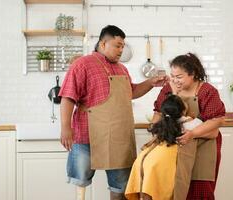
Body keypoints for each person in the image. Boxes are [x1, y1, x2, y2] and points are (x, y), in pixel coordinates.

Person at [59, 25, 166, 200]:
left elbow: (131, 91)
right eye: (117, 45)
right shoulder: (82, 64)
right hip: (87, 136)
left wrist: (151, 82)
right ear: (102, 44)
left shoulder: (121, 69)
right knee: (80, 181)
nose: (121, 50)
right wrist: (65, 128)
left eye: (123, 46)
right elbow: (68, 97)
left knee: (122, 186)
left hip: (118, 137)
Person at [152, 53, 225, 200]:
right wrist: (155, 133)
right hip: (175, 148)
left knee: (200, 188)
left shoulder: (207, 91)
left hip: (203, 148)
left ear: (193, 74)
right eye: (172, 76)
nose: (174, 80)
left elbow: (217, 120)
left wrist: (192, 134)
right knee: (176, 186)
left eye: (179, 77)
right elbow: (159, 112)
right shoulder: (168, 89)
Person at [125, 94, 205, 200]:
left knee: (147, 188)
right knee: (161, 190)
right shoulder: (191, 123)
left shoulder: (160, 124)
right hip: (164, 160)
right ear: (183, 111)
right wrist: (192, 117)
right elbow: (206, 127)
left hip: (145, 158)